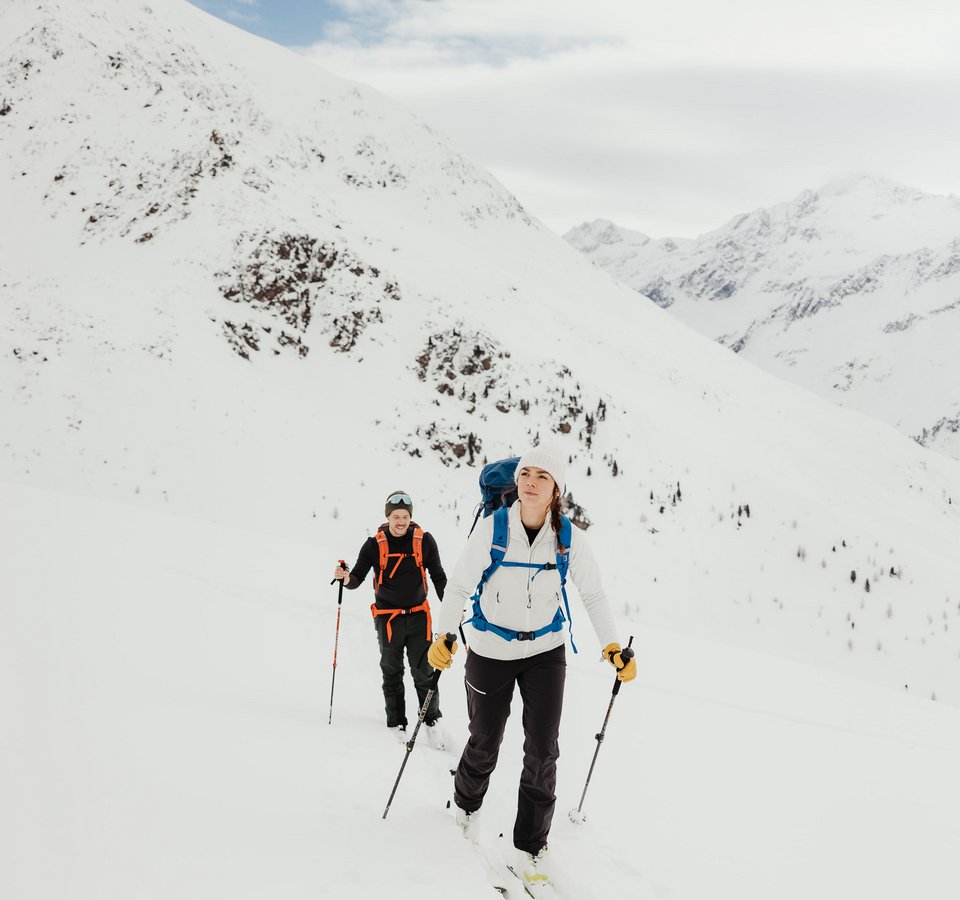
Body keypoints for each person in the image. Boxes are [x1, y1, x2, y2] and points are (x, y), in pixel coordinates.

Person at [428, 444, 636, 887]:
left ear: (556, 487)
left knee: (543, 750)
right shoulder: (492, 529)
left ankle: (531, 844)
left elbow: (593, 594)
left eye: (542, 476)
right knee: (485, 739)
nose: (531, 482)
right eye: (526, 474)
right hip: (490, 649)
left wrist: (612, 646)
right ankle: (466, 806)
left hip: (545, 651)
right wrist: (443, 636)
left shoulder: (568, 538)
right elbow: (461, 584)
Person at [333, 490, 447, 743]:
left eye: (405, 516)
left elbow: (438, 576)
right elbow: (357, 579)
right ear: (388, 517)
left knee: (424, 671)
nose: (401, 521)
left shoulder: (424, 541)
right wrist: (346, 577)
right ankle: (396, 723)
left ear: (410, 517)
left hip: (419, 616)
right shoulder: (374, 544)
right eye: (396, 516)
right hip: (388, 618)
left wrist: (451, 605)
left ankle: (432, 718)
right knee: (391, 670)